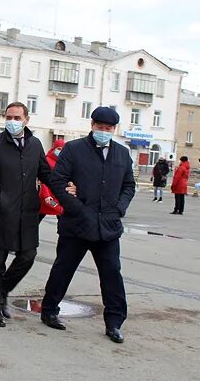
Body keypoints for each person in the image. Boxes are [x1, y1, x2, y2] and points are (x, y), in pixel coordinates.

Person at [40, 106, 136, 344]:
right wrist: (75, 207)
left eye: (108, 128)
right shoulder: (74, 149)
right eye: (100, 127)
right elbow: (57, 180)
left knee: (112, 274)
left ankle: (114, 322)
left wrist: (119, 208)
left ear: (114, 129)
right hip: (77, 224)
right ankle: (49, 310)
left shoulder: (122, 154)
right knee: (63, 269)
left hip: (108, 227)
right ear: (92, 126)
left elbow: (129, 185)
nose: (104, 131)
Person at [0, 102, 53, 327]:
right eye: (9, 117)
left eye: (17, 117)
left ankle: (3, 290)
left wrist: (64, 187)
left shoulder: (35, 145)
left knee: (27, 256)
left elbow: (45, 174)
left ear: (26, 119)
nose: (12, 121)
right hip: (1, 213)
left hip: (27, 213)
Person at [38, 139, 66, 222]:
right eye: (58, 149)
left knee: (61, 216)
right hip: (47, 197)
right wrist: (46, 195)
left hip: (57, 197)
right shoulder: (46, 160)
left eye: (62, 149)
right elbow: (43, 179)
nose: (60, 151)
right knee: (38, 217)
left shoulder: (63, 162)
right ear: (54, 148)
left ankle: (62, 234)